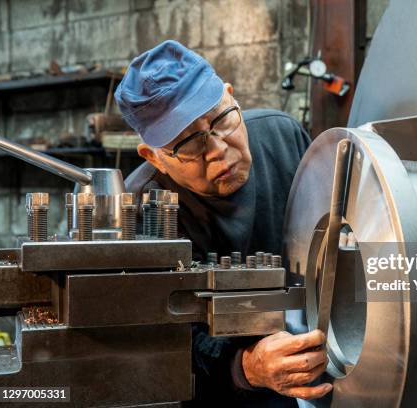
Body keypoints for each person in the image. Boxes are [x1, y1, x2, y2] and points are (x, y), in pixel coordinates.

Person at [114, 40, 332, 407]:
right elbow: (162, 343)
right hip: (220, 389)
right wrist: (247, 368)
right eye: (189, 143)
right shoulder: (140, 210)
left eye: (221, 120)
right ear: (154, 156)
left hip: (315, 362)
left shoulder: (283, 137)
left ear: (231, 96)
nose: (218, 149)